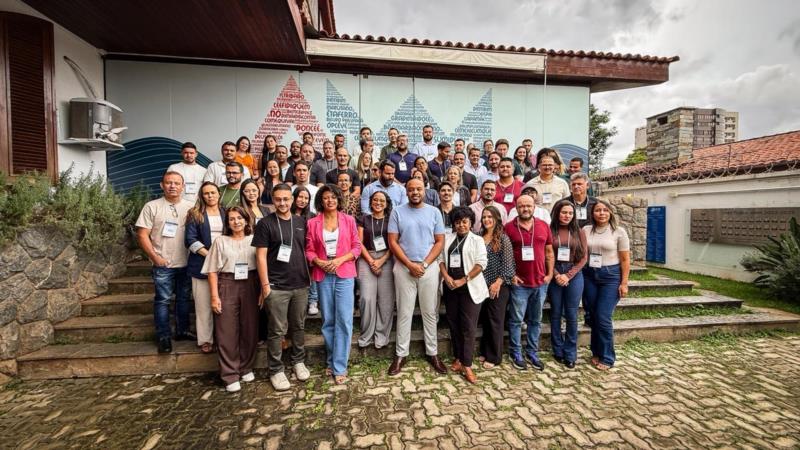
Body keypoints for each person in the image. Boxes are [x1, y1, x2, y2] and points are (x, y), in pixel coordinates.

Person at [252, 184, 311, 391]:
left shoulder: (301, 221)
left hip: (300, 283)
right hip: (276, 285)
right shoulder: (265, 223)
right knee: (277, 330)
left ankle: (298, 361)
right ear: (273, 200)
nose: (282, 203)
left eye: (286, 199)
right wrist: (265, 285)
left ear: (292, 200)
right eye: (278, 199)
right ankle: (276, 370)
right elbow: (260, 256)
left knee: (298, 326)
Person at [387, 178, 447, 376]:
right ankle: (401, 354)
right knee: (404, 312)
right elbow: (393, 242)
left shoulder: (434, 212)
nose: (415, 192)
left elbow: (439, 241)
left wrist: (425, 264)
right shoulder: (397, 212)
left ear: (424, 191)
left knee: (430, 312)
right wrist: (409, 264)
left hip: (428, 268)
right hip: (404, 268)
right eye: (411, 189)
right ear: (406, 192)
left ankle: (433, 353)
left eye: (419, 189)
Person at [306, 184, 361, 384]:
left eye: (333, 197)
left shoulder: (349, 220)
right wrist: (318, 261)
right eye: (326, 197)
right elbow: (309, 250)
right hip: (323, 273)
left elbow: (356, 247)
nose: (330, 200)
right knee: (328, 320)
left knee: (344, 320)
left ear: (339, 200)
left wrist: (340, 260)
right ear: (321, 201)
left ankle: (340, 366)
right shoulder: (312, 223)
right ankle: (331, 359)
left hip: (344, 272)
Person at [202, 206, 259, 393]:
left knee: (250, 327)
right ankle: (230, 374)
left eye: (240, 218)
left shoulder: (254, 239)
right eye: (232, 219)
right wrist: (214, 296)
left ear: (246, 220)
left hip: (251, 283)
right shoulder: (220, 241)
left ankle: (246, 367)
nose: (236, 222)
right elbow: (212, 270)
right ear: (227, 222)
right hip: (227, 283)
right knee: (226, 329)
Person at [135, 171, 194, 353]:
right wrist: (155, 258)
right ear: (162, 185)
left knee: (184, 299)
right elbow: (142, 235)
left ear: (183, 186)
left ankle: (182, 330)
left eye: (177, 183)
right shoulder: (152, 206)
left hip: (187, 263)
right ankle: (163, 336)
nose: (172, 186)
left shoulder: (191, 207)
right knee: (163, 300)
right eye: (168, 183)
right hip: (163, 264)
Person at [438, 207, 488, 384]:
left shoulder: (477, 240)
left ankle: (467, 364)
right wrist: (446, 277)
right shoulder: (448, 239)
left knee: (468, 327)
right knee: (454, 323)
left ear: (471, 223)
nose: (461, 225)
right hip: (451, 287)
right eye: (458, 222)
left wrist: (464, 280)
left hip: (469, 288)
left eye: (465, 222)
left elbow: (481, 263)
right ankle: (458, 358)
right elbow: (440, 260)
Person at [504, 194, 554, 371]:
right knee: (516, 320)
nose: (525, 209)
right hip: (520, 284)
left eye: (528, 206)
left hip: (540, 282)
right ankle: (515, 352)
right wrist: (511, 275)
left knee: (535, 320)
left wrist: (549, 274)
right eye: (522, 206)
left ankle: (532, 352)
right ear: (516, 208)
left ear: (534, 207)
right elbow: (505, 255)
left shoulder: (544, 226)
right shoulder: (508, 228)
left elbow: (549, 252)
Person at [582, 199, 630, 371]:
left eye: (605, 210)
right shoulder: (586, 230)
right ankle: (596, 352)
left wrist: (624, 283)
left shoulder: (619, 232)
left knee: (603, 316)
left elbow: (625, 260)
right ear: (592, 213)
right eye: (597, 210)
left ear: (610, 212)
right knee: (593, 315)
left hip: (611, 276)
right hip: (589, 275)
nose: (601, 213)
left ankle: (608, 357)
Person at [184, 181, 225, 354]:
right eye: (206, 193)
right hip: (201, 265)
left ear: (219, 194)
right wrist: (209, 255)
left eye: (213, 192)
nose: (210, 196)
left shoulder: (226, 212)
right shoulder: (195, 214)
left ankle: (222, 338)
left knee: (224, 305)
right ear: (202, 196)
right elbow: (190, 240)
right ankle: (205, 340)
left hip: (224, 265)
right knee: (203, 306)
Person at [548, 200, 588, 369]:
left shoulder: (579, 231)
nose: (567, 216)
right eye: (564, 212)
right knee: (556, 313)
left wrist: (568, 275)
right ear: (557, 213)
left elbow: (584, 257)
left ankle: (570, 352)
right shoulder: (550, 230)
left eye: (570, 213)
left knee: (571, 314)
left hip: (574, 273)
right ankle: (557, 349)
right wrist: (557, 274)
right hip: (555, 272)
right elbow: (545, 255)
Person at [357, 191, 395, 350]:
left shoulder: (392, 219)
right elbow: (359, 243)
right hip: (367, 257)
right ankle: (366, 335)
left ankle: (382, 335)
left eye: (382, 200)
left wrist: (381, 261)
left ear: (386, 203)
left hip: (387, 258)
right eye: (375, 200)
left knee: (386, 300)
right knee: (366, 298)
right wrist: (372, 262)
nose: (378, 203)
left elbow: (395, 243)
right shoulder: (363, 219)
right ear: (371, 202)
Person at [478, 206, 514, 369]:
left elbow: (508, 265)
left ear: (497, 218)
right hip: (481, 285)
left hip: (498, 285)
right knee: (486, 319)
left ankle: (494, 356)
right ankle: (485, 351)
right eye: (484, 217)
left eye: (490, 217)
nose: (486, 219)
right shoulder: (479, 236)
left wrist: (497, 283)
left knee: (495, 320)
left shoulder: (503, 238)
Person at [291, 186, 319, 317]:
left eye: (306, 198)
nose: (303, 200)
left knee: (311, 275)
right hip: (292, 251)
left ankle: (313, 301)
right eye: (300, 197)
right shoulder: (288, 214)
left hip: (308, 250)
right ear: (294, 197)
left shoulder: (312, 216)